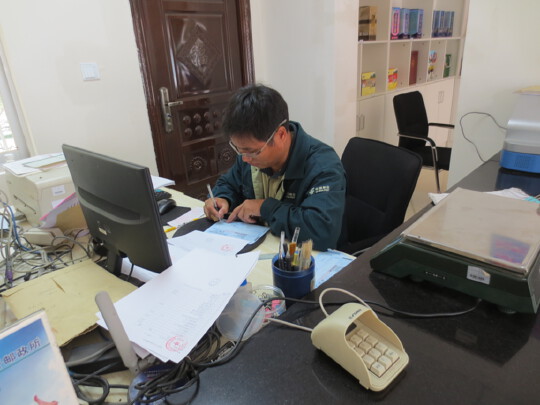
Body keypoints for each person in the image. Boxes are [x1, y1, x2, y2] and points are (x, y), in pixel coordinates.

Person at [204, 84, 346, 251]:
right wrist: (222, 198)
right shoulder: (249, 156)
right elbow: (229, 183)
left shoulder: (323, 165)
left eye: (253, 151)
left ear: (281, 135)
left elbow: (322, 230)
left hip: (303, 258)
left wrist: (264, 207)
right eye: (238, 150)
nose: (245, 159)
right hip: (258, 248)